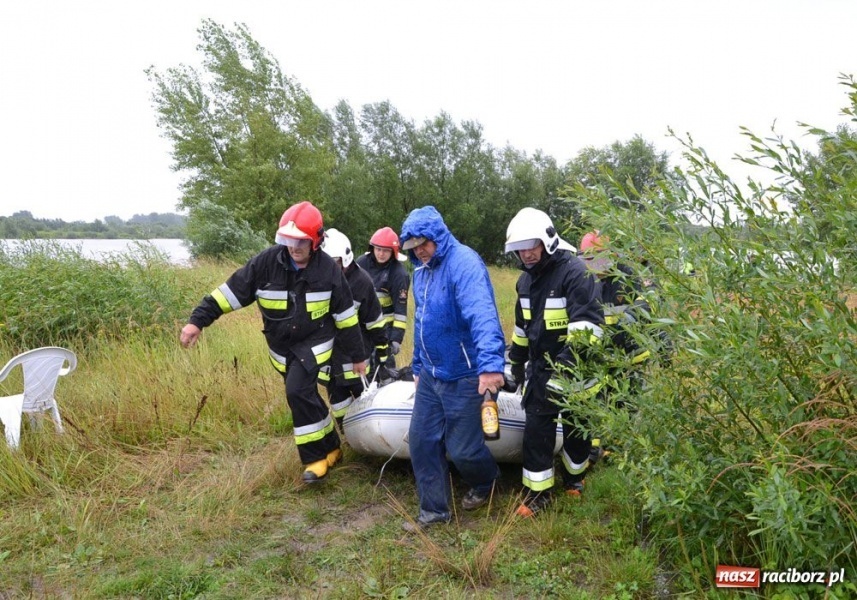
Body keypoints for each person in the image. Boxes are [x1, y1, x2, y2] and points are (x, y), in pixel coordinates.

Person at [179, 201, 366, 484]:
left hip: (316, 342)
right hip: (280, 347)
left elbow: (346, 318)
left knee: (296, 391)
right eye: (288, 241)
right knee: (306, 394)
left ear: (315, 240)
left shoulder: (328, 271)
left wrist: (358, 355)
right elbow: (228, 294)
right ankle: (331, 447)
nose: (294, 247)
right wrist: (197, 321)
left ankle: (315, 459)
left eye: (300, 241)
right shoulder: (264, 264)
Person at [399, 206, 506, 530]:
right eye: (413, 246)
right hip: (432, 375)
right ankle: (433, 511)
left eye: (423, 244)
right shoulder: (421, 271)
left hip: (465, 374)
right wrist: (417, 365)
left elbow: (483, 315)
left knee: (462, 451)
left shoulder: (465, 264)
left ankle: (486, 482)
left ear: (438, 236)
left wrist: (489, 367)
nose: (419, 251)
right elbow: (422, 323)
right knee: (420, 440)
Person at [505, 208, 605, 517]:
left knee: (577, 430)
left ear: (547, 240)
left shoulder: (576, 274)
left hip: (576, 369)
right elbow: (522, 329)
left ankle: (575, 479)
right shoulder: (524, 282)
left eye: (531, 245)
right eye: (520, 249)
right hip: (541, 369)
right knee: (536, 429)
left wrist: (563, 371)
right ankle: (538, 495)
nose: (526, 254)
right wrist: (517, 365)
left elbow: (588, 330)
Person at [319, 228, 389, 424]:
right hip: (329, 358)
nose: (329, 268)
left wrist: (382, 348)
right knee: (339, 406)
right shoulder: (318, 279)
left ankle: (370, 442)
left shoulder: (361, 282)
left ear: (345, 259)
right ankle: (349, 439)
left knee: (364, 405)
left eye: (334, 262)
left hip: (355, 357)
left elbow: (374, 320)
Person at [355, 227, 410, 371]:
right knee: (362, 371)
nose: (381, 253)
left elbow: (400, 311)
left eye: (386, 250)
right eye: (378, 249)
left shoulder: (399, 274)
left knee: (385, 370)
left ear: (393, 251)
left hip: (385, 331)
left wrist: (396, 339)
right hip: (362, 328)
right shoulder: (361, 264)